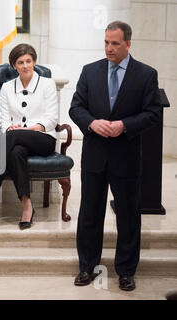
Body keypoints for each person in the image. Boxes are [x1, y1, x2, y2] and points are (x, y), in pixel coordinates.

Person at [69, 21, 161, 291]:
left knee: (129, 216)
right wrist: (91, 123)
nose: (109, 48)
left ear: (128, 44)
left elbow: (153, 113)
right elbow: (76, 107)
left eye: (115, 43)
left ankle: (126, 271)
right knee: (89, 213)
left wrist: (124, 125)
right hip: (95, 155)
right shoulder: (90, 71)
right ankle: (87, 267)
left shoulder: (146, 74)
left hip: (127, 156)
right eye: (106, 43)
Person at [0, 43, 58, 230]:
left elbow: (52, 118)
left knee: (12, 139)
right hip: (16, 140)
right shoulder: (7, 87)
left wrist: (31, 128)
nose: (25, 65)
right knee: (15, 151)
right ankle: (27, 207)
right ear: (14, 66)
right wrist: (13, 128)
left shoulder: (47, 84)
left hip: (43, 137)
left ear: (34, 62)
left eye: (28, 61)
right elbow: (3, 121)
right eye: (20, 62)